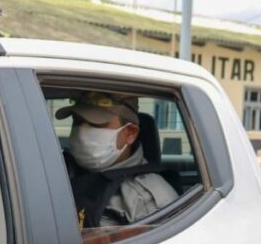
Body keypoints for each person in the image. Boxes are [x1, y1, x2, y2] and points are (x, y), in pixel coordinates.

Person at [56, 91, 178, 229]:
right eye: (77, 121)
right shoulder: (59, 170)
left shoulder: (147, 203)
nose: (82, 132)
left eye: (97, 125)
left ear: (130, 133)